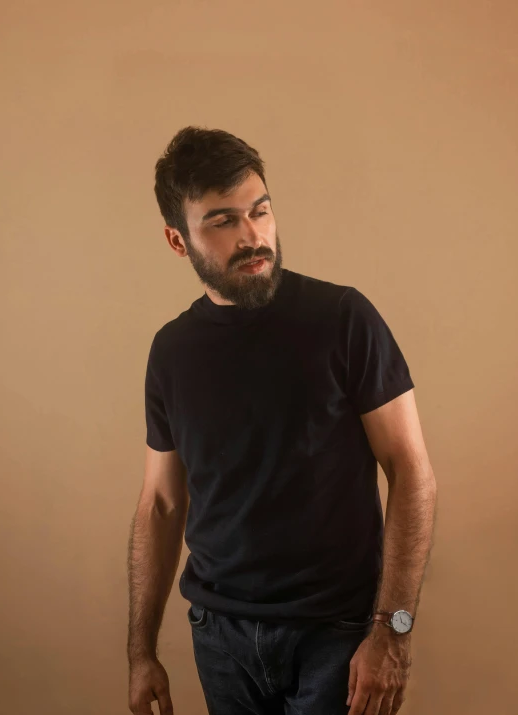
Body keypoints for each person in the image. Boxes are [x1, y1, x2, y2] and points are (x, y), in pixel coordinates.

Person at [127, 126, 437, 715]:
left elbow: (411, 472)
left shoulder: (344, 318)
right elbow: (161, 505)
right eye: (222, 221)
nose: (252, 236)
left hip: (337, 633)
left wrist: (392, 633)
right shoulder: (170, 351)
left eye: (260, 211)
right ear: (177, 240)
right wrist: (141, 652)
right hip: (218, 636)